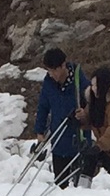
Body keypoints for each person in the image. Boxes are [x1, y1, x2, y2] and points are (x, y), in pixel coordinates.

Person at [30, 47, 82, 186]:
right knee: (60, 184)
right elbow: (43, 107)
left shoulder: (79, 81)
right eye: (49, 70)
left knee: (79, 188)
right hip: (58, 139)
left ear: (63, 65)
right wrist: (40, 131)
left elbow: (91, 104)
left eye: (54, 70)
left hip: (78, 139)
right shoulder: (49, 83)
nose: (52, 74)